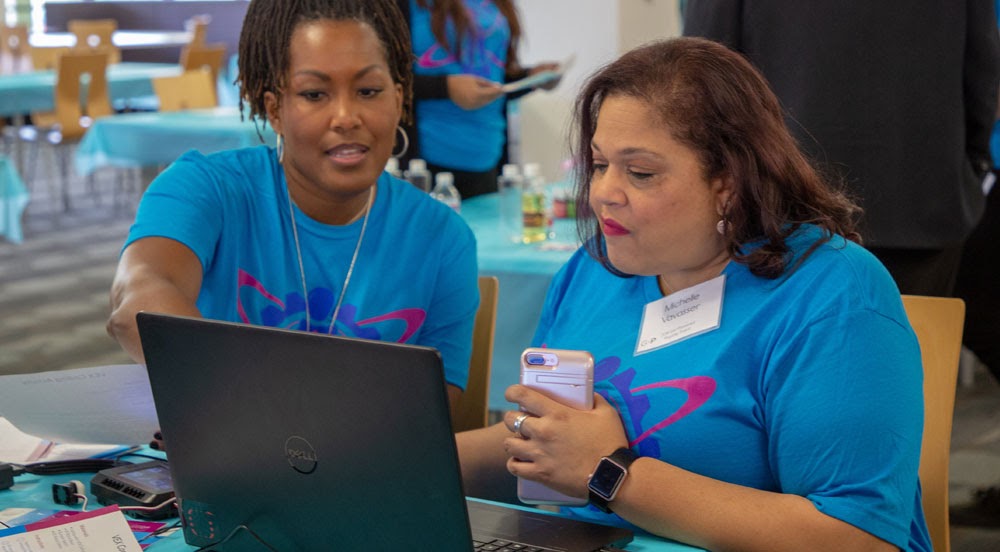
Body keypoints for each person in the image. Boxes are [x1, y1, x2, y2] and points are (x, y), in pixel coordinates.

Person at [457, 37, 931, 551]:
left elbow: (855, 538)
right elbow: (550, 449)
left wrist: (613, 475)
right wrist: (394, 460)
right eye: (598, 165)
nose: (601, 194)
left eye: (640, 172)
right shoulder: (594, 269)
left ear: (728, 181)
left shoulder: (832, 295)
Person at [107, 0, 479, 420]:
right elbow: (137, 299)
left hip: (359, 472)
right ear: (274, 110)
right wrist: (262, 408)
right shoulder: (206, 189)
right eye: (314, 94)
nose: (346, 116)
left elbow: (430, 412)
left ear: (398, 100)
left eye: (369, 91)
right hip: (220, 461)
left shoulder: (443, 238)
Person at [683, 0, 1000, 297]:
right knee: (914, 349)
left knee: (784, 350)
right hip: (921, 198)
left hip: (780, 207)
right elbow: (981, 71)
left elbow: (701, 76)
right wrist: (972, 165)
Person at [393, 0, 560, 198]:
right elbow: (384, 81)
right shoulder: (401, 5)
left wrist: (530, 78)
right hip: (426, 163)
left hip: (488, 157)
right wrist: (446, 87)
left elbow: (492, 79)